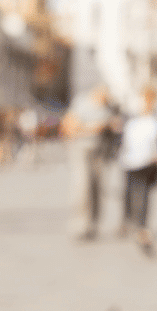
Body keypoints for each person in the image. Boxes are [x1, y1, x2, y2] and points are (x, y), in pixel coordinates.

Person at [61, 84, 114, 241]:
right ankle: (80, 225)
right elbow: (69, 127)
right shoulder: (82, 103)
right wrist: (95, 128)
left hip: (100, 151)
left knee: (98, 187)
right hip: (81, 149)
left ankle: (93, 224)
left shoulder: (108, 107)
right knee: (82, 187)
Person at [117, 84, 157, 256]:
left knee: (142, 194)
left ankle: (141, 226)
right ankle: (128, 220)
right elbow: (122, 139)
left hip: (147, 162)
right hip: (129, 161)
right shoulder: (131, 119)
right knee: (128, 193)